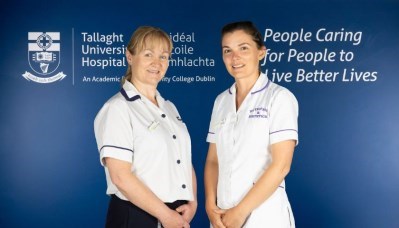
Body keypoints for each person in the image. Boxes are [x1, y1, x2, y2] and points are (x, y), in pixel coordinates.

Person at [94, 26, 197, 228]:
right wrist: (165, 216)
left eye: (164, 56)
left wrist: (191, 202)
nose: (157, 63)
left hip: (176, 215)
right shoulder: (118, 108)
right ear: (130, 56)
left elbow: (183, 159)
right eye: (148, 54)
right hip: (136, 217)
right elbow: (120, 177)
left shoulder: (169, 107)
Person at [204, 21, 298, 228]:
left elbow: (281, 166)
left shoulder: (279, 97)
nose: (234, 57)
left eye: (243, 48)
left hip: (264, 214)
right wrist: (210, 205)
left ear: (261, 52)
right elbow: (213, 160)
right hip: (223, 215)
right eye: (227, 50)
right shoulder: (221, 101)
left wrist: (240, 213)